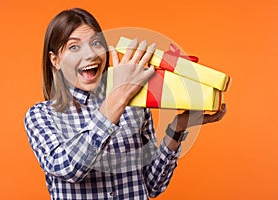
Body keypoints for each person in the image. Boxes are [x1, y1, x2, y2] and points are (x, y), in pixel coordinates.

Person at [24, 8, 226, 200]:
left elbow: (152, 185)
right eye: (74, 47)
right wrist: (117, 99)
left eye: (96, 43)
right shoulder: (41, 116)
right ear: (55, 60)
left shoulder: (135, 105)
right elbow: (67, 168)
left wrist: (178, 128)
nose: (90, 55)